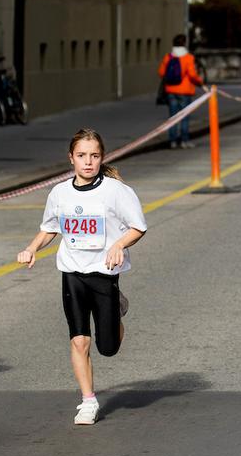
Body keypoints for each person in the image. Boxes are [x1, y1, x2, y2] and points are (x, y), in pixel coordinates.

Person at [16, 129, 147, 425]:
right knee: (79, 341)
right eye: (82, 156)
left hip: (104, 274)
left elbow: (138, 227)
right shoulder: (60, 192)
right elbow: (51, 227)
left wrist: (118, 244)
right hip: (72, 272)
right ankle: (88, 401)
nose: (88, 162)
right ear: (71, 158)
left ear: (102, 157)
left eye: (94, 156)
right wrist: (32, 247)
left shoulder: (116, 191)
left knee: (108, 347)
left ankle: (116, 308)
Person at [158, 34, 203, 149]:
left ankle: (172, 141)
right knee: (184, 117)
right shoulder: (188, 57)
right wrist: (200, 82)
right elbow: (192, 75)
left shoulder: (168, 57)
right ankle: (184, 141)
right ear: (184, 43)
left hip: (171, 90)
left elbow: (161, 72)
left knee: (173, 117)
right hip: (185, 91)